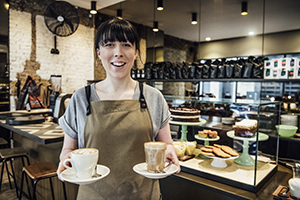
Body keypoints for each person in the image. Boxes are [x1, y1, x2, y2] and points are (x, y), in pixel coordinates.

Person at [57, 17, 180, 200]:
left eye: (126, 45)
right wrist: (66, 161)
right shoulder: (80, 98)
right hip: (93, 196)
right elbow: (68, 149)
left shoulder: (153, 97)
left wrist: (170, 151)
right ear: (99, 52)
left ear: (136, 52)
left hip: (144, 195)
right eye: (109, 45)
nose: (118, 52)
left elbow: (167, 144)